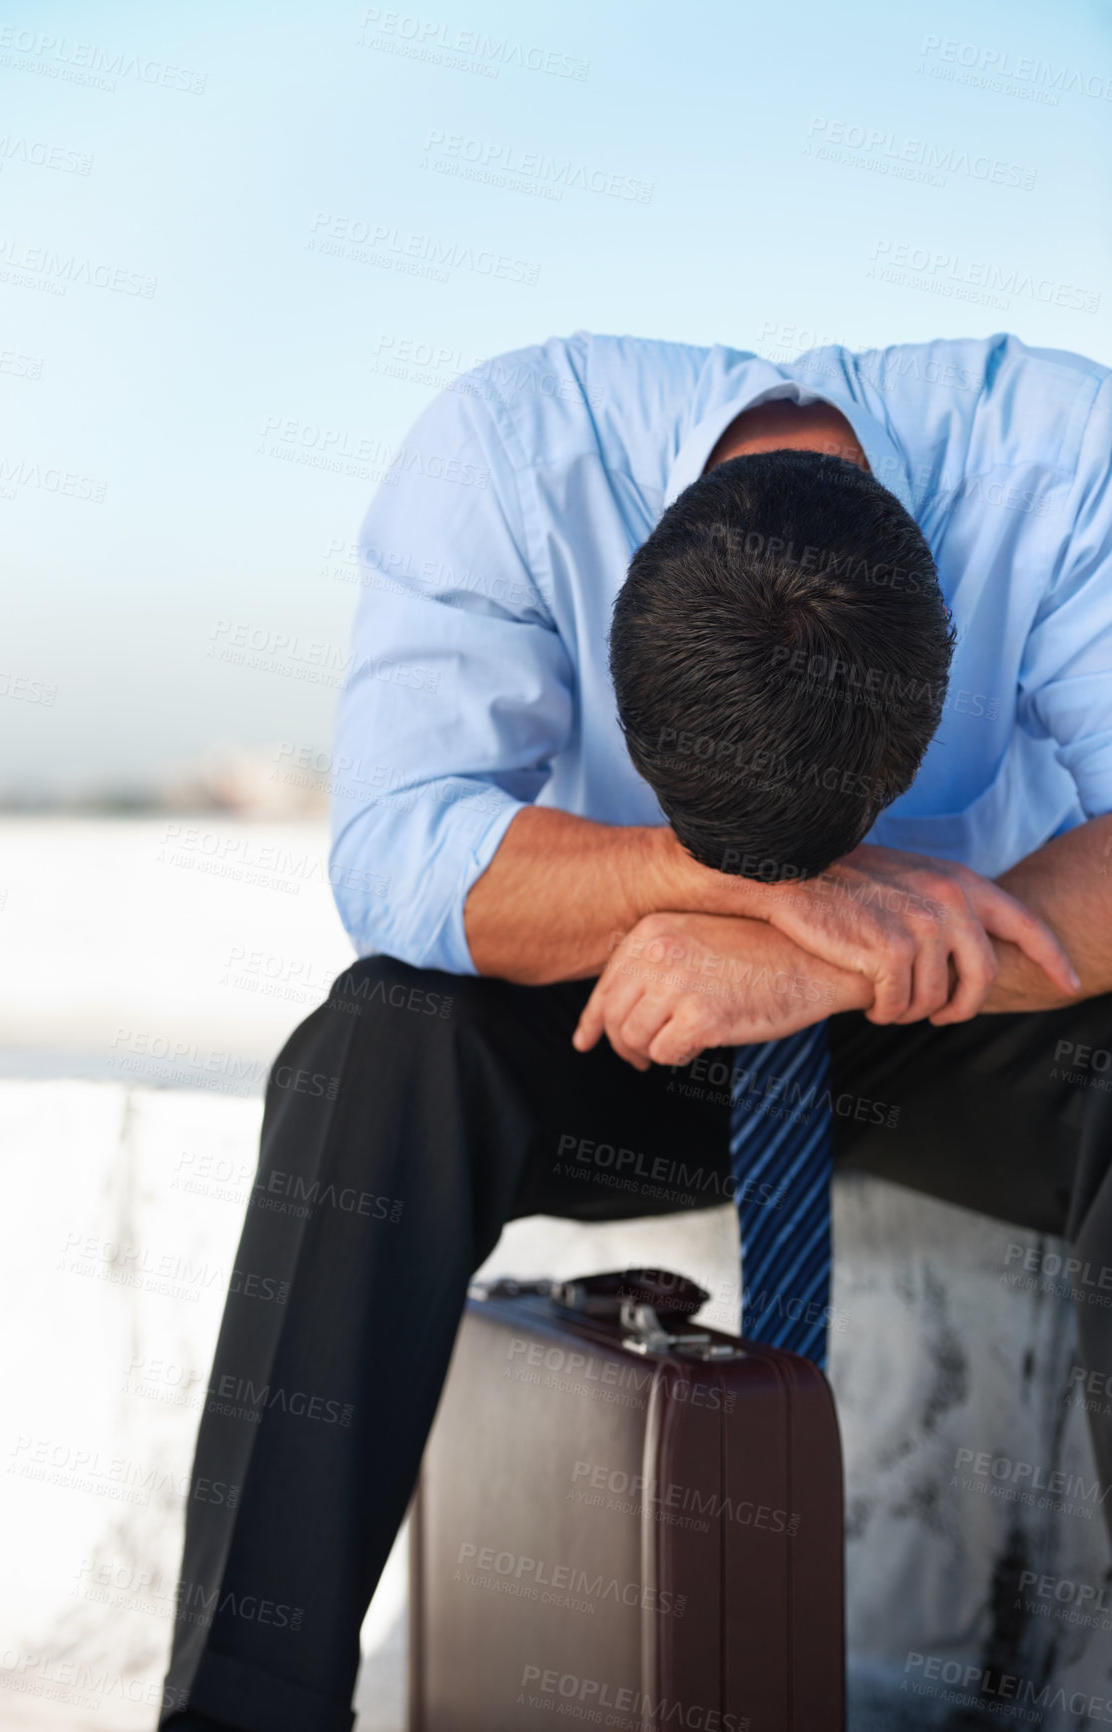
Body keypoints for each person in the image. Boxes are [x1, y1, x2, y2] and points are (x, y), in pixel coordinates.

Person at [160, 332, 1112, 1732]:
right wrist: (719, 888)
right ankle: (242, 1714)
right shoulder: (505, 459)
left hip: (951, 998)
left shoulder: (1061, 452)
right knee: (376, 1044)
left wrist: (835, 969)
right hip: (647, 1010)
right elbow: (398, 852)